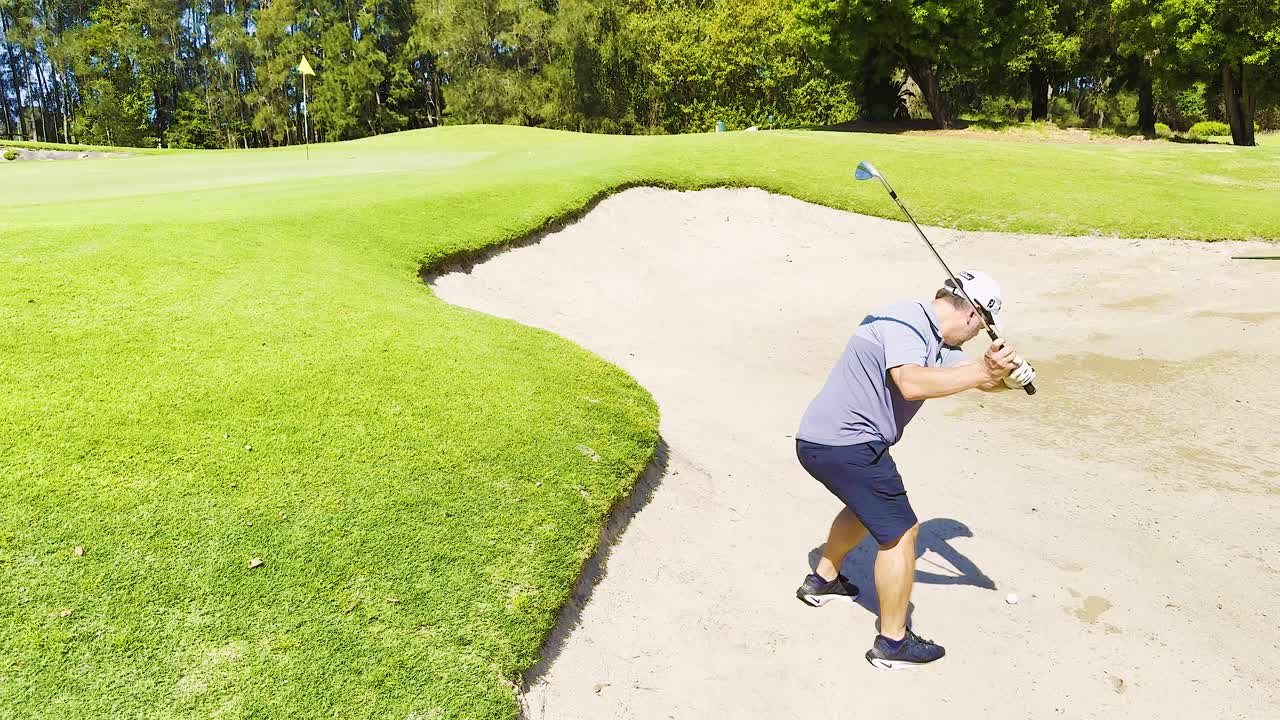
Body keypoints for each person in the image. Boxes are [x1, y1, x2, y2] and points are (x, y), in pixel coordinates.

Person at [792, 270, 1035, 669]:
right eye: (982, 327)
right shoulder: (904, 320)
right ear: (974, 314)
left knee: (864, 508)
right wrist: (984, 371)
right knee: (902, 533)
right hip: (847, 445)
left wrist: (1006, 377)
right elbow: (910, 383)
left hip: (828, 442)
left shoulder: (933, 338)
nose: (978, 337)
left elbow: (965, 377)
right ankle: (893, 643)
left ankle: (822, 580)